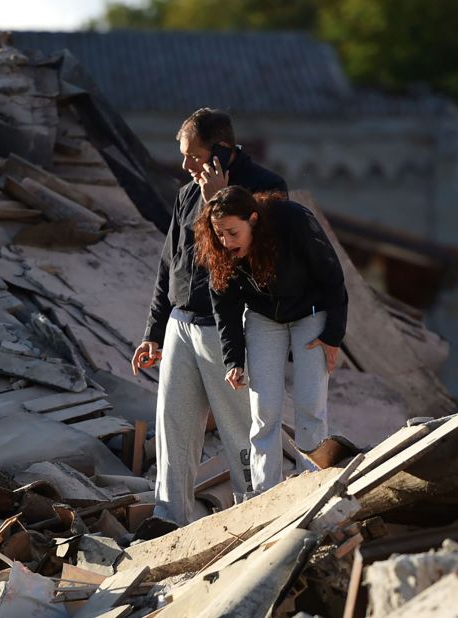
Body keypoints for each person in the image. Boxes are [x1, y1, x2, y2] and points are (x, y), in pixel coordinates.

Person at [133, 109, 288, 527]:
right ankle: (168, 518)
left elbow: (257, 267)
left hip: (228, 331)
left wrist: (217, 201)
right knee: (173, 428)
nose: (184, 165)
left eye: (192, 154)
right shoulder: (186, 193)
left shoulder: (267, 191)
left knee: (242, 431)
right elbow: (170, 265)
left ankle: (252, 516)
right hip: (180, 326)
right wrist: (153, 331)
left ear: (221, 151)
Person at [194, 186, 348, 495]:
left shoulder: (292, 220)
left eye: (233, 232)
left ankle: (314, 487)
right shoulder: (222, 252)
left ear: (253, 219)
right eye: (220, 234)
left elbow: (333, 277)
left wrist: (332, 336)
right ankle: (265, 495)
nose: (226, 242)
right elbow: (225, 308)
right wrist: (233, 360)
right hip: (264, 319)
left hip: (310, 314)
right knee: (263, 411)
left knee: (310, 405)